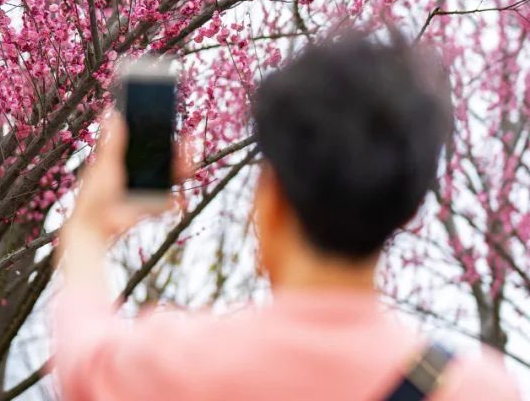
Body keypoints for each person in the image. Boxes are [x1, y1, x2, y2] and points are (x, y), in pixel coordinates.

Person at [53, 32, 521, 400]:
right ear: (408, 208)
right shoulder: (475, 388)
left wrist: (88, 230)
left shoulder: (177, 363)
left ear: (271, 200)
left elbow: (83, 360)